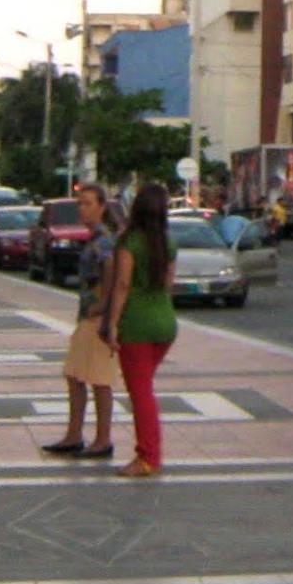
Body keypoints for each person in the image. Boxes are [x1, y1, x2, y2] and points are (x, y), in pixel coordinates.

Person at [102, 180, 176, 478]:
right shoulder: (169, 242)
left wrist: (111, 324)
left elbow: (122, 285)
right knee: (145, 389)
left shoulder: (130, 242)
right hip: (165, 322)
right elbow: (169, 284)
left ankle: (147, 457)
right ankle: (150, 453)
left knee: (141, 393)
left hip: (137, 325)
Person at [42, 184, 117, 462]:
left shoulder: (104, 239)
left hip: (95, 318)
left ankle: (103, 438)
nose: (82, 208)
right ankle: (74, 434)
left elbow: (111, 269)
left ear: (101, 206)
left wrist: (104, 306)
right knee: (74, 375)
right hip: (86, 316)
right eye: (80, 204)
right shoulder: (93, 238)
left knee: (99, 379)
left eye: (87, 203)